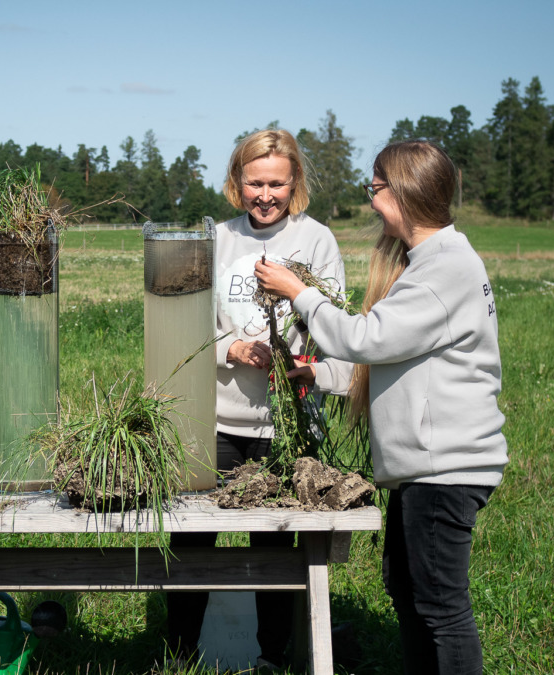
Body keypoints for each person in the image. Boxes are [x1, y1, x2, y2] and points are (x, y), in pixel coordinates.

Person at [254, 139, 508, 674]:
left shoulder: (446, 269)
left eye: (375, 188)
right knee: (408, 589)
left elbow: (367, 340)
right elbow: (396, 356)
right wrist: (318, 373)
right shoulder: (432, 265)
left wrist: (298, 291)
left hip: (445, 467)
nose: (371, 201)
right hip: (427, 467)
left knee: (440, 604)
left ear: (404, 191)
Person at [165, 128, 349, 670]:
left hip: (286, 425)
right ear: (235, 183)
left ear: (295, 184)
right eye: (254, 183)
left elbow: (333, 324)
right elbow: (187, 319)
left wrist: (295, 364)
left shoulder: (317, 241)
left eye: (277, 183)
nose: (265, 195)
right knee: (192, 542)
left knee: (277, 543)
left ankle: (274, 656)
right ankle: (178, 655)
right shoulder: (215, 238)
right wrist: (233, 347)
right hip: (215, 420)